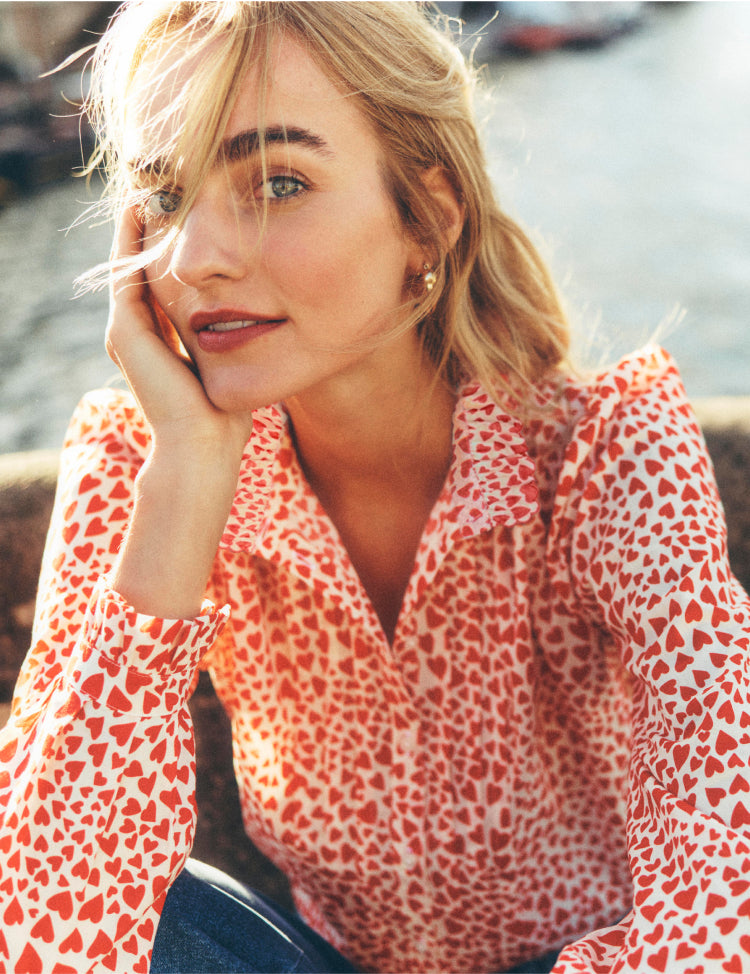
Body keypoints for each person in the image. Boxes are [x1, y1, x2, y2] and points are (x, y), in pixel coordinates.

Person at [1, 1, 748, 972]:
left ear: (427, 216)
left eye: (277, 181)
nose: (193, 257)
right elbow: (45, 931)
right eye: (168, 194)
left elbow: (723, 836)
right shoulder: (141, 464)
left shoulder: (604, 448)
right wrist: (188, 462)